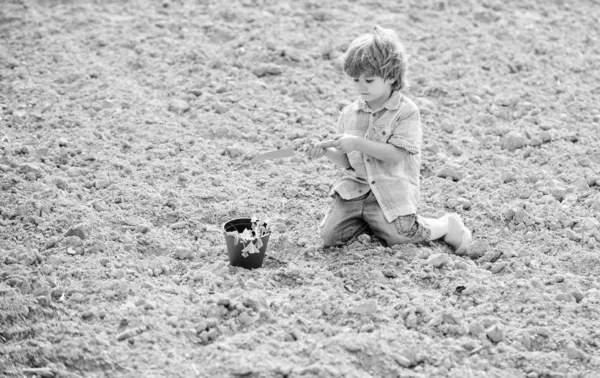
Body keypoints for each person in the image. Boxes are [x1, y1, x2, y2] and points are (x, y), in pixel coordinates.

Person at [307, 25, 472, 253]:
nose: (361, 86)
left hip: (389, 189)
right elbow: (348, 163)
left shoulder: (405, 112)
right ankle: (371, 222)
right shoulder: (349, 113)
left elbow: (396, 155)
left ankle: (446, 224)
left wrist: (357, 143)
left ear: (391, 78)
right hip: (356, 190)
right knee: (330, 236)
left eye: (369, 80)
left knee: (402, 236)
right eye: (355, 80)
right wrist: (325, 152)